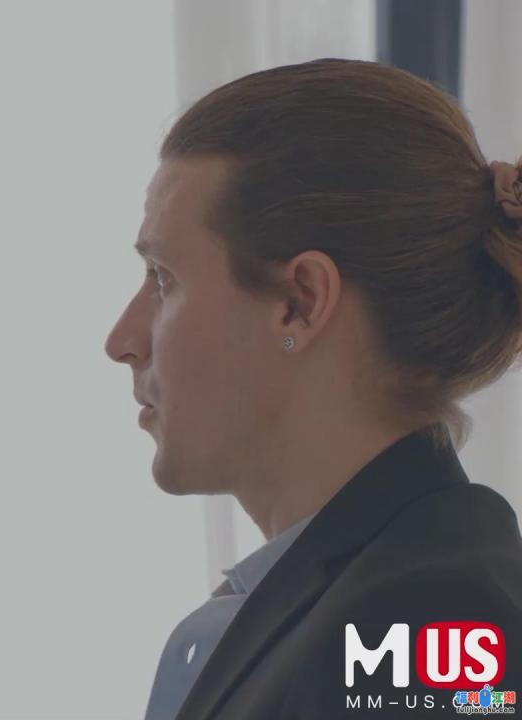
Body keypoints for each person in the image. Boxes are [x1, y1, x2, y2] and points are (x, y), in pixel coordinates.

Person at [105, 58, 522, 720]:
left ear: (300, 302)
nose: (122, 340)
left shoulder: (426, 625)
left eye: (163, 279)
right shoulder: (369, 598)